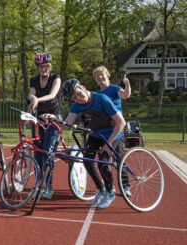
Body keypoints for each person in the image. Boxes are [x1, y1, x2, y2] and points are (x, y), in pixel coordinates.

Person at [41, 79, 126, 209]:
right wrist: (53, 119)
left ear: (83, 87)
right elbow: (66, 125)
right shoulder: (76, 105)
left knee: (103, 161)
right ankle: (101, 190)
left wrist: (108, 144)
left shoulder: (102, 99)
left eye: (78, 93)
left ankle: (110, 192)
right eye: (74, 97)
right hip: (96, 134)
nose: (78, 98)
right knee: (87, 161)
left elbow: (121, 123)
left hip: (113, 133)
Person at [27, 53, 62, 199]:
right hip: (38, 118)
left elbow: (53, 95)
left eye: (46, 66)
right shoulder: (34, 80)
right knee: (37, 153)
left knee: (48, 152)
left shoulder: (56, 78)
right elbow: (31, 94)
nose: (43, 69)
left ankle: (48, 185)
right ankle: (37, 183)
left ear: (50, 66)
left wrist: (36, 100)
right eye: (41, 66)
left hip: (53, 117)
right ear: (37, 67)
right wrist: (32, 99)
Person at [93, 65, 132, 196]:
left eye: (101, 75)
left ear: (107, 75)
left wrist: (127, 84)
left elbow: (125, 95)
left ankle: (125, 185)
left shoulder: (115, 89)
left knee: (119, 158)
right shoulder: (97, 94)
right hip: (103, 128)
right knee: (103, 159)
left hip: (116, 127)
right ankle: (110, 186)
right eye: (97, 76)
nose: (99, 78)